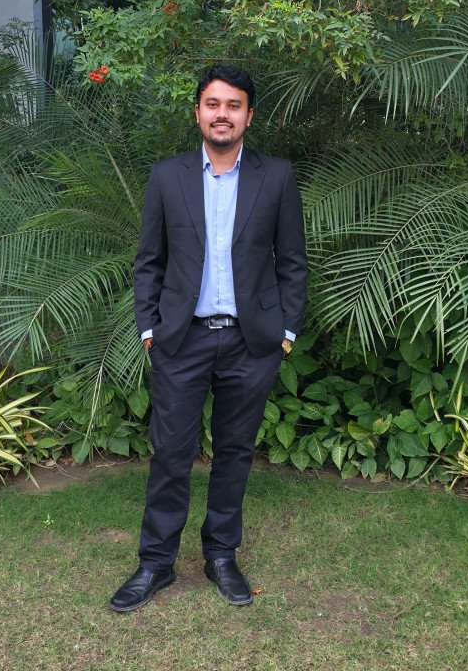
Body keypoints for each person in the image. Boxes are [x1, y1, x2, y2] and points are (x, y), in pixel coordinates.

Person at [111, 65, 308, 612]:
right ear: (198, 111)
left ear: (249, 115)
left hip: (251, 344)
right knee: (170, 455)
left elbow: (293, 263)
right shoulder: (167, 176)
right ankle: (156, 563)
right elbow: (149, 261)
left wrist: (284, 335)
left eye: (234, 105)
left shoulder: (276, 177)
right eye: (213, 104)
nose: (223, 114)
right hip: (181, 341)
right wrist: (150, 330)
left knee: (235, 453)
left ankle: (221, 555)